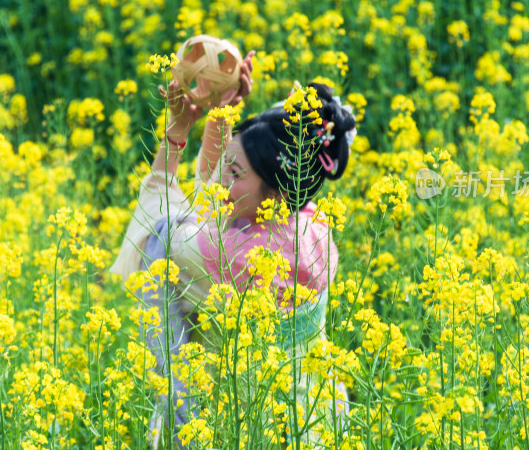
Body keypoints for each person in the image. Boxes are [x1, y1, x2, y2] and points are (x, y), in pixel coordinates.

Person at [111, 53, 356, 448]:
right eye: (226, 164)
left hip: (239, 429)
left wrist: (177, 132)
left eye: (236, 172)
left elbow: (162, 219)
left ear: (277, 190)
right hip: (316, 422)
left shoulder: (229, 257)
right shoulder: (314, 228)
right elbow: (217, 201)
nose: (223, 179)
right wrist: (222, 118)